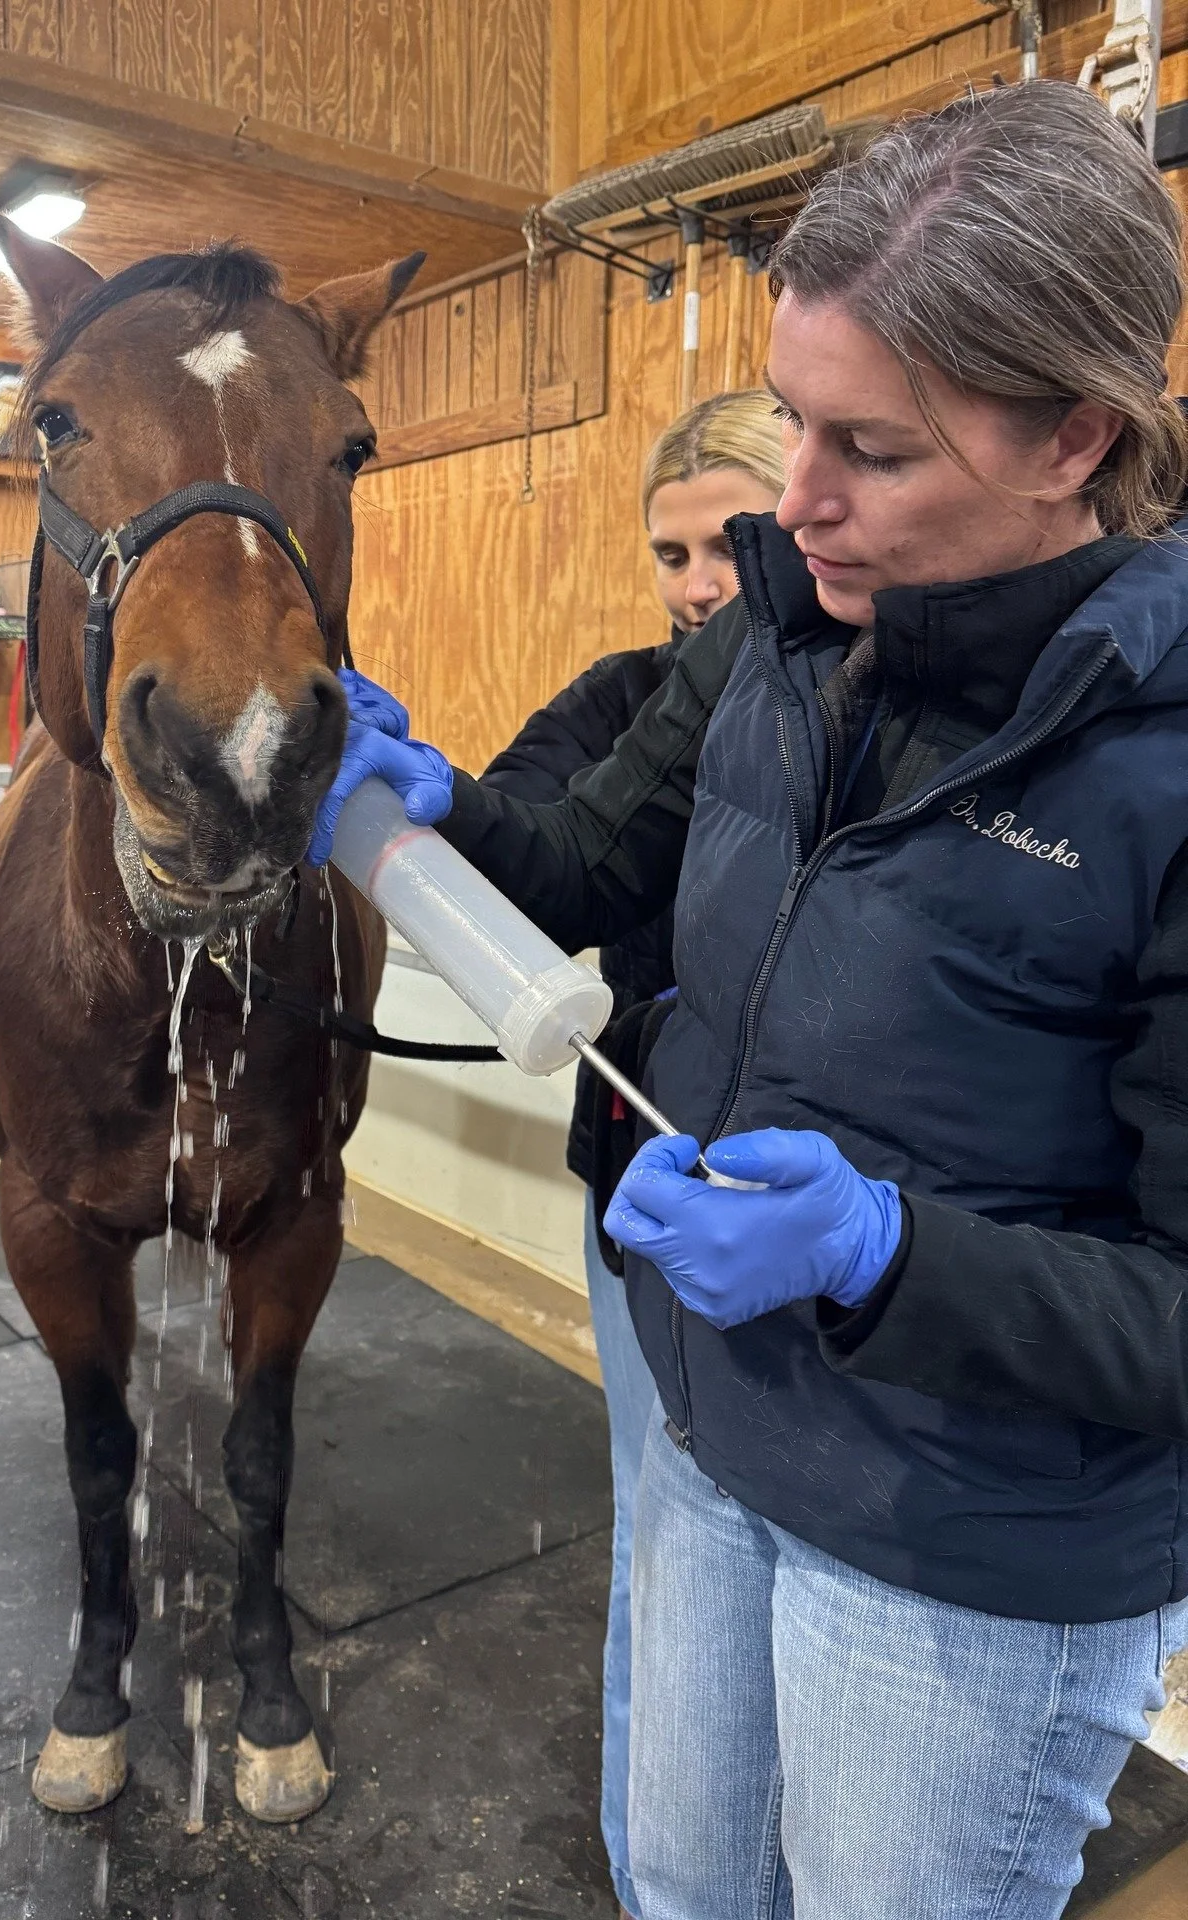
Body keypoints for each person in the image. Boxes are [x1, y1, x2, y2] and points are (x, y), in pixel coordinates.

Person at [311, 83, 1188, 1920]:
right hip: (717, 1439)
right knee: (685, 1886)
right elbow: (589, 873)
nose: (793, 504)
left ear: (1075, 440)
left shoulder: (1159, 769)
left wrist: (881, 1254)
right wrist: (434, 806)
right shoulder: (776, 639)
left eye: (870, 447)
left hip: (967, 1548)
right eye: (793, 420)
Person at [476, 391, 785, 1920]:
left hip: (846, 1214)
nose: (694, 584)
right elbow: (530, 846)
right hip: (655, 1192)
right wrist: (430, 814)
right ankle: (646, 1865)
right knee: (666, 1543)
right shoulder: (622, 702)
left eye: (728, 544)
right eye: (669, 552)